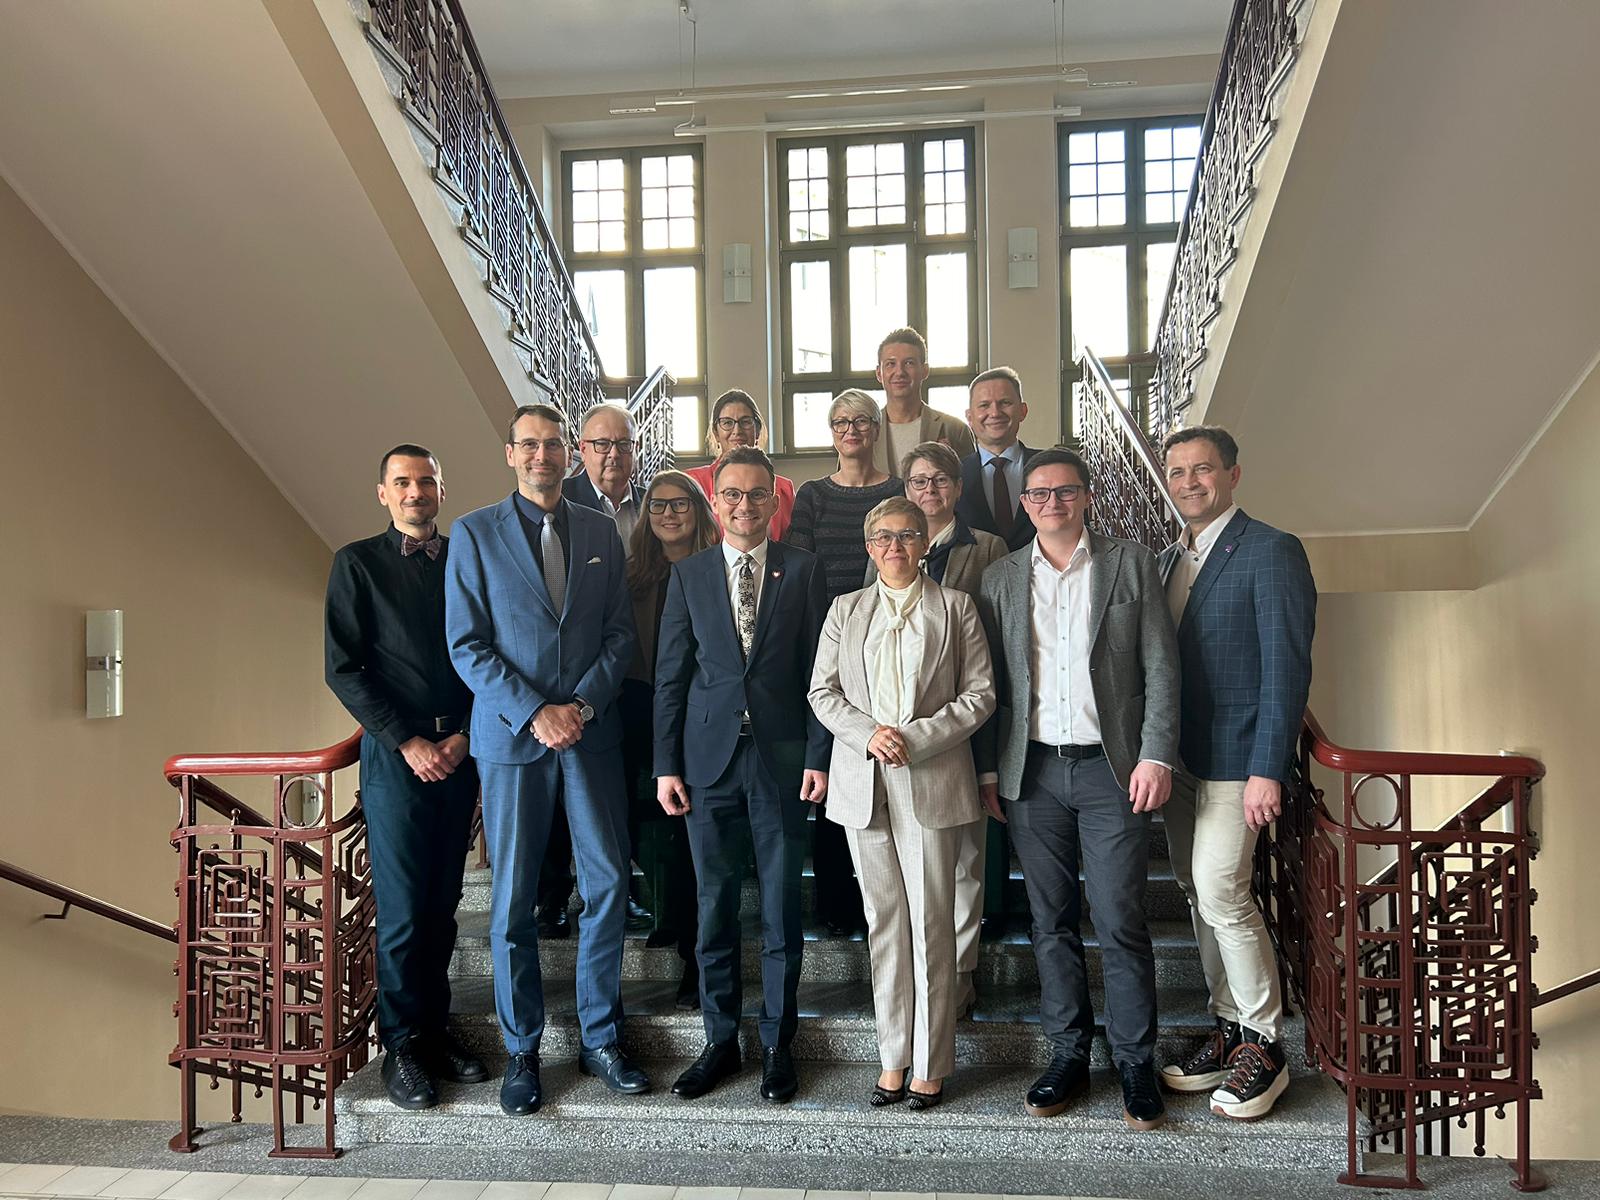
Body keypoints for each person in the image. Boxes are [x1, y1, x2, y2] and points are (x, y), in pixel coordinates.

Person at [445, 403, 647, 1116]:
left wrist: (579, 708)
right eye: (528, 445)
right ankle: (522, 1050)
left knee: (607, 885)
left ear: (570, 454)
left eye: (553, 444)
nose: (542, 456)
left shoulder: (598, 531)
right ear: (510, 454)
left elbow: (620, 636)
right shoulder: (473, 533)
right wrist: (536, 711)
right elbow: (467, 644)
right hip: (512, 740)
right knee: (512, 901)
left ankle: (600, 1037)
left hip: (590, 737)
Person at [975, 448, 1180, 1132]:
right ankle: (1068, 1052)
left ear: (1087, 496)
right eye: (1038, 493)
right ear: (1025, 503)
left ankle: (1133, 1062)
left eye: (1064, 491)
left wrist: (1155, 754)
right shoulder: (1002, 577)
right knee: (1049, 920)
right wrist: (986, 770)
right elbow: (990, 687)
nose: (1051, 502)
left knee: (1120, 918)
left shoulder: (1128, 562)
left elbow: (1160, 665)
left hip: (1111, 770)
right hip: (1032, 772)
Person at [654, 447, 831, 1104]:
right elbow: (671, 679)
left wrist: (819, 756)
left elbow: (821, 676)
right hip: (707, 766)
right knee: (714, 906)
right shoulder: (690, 575)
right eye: (733, 494)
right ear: (716, 502)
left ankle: (778, 1045)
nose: (745, 506)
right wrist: (665, 766)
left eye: (758, 494)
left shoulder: (805, 572)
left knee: (783, 909)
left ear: (773, 502)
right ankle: (719, 1039)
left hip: (782, 764)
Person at [809, 497, 995, 1111]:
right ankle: (893, 1056)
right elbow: (823, 691)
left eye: (907, 535)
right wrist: (870, 734)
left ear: (924, 543)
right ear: (869, 546)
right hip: (864, 783)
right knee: (885, 923)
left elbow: (979, 697)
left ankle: (931, 1064)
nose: (895, 546)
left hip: (932, 777)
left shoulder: (956, 607)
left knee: (933, 923)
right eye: (883, 536)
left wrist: (911, 739)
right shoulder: (845, 610)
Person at [1156, 425, 1316, 1121]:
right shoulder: (1167, 558)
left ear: (1232, 475)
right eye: (1178, 471)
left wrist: (1268, 770)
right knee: (1196, 891)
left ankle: (1264, 1041)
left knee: (1224, 890)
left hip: (1238, 760)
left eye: (1203, 469)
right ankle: (1227, 1026)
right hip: (1181, 759)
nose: (1190, 482)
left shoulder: (1272, 551)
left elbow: (1287, 668)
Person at [324, 444, 487, 1111]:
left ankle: (436, 1027)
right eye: (403, 482)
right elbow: (345, 668)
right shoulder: (355, 564)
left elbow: (490, 649)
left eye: (426, 481)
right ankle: (401, 1046)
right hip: (397, 758)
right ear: (383, 494)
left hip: (464, 749)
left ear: (441, 491)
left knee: (444, 903)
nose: (415, 491)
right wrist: (408, 740)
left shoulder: (469, 560)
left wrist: (467, 735)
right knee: (399, 911)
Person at [866, 440, 1008, 1019]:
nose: (930, 490)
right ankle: (915, 985)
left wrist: (991, 760)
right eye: (918, 481)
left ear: (958, 486)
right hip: (895, 743)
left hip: (966, 733)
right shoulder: (887, 549)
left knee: (965, 866)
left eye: (940, 480)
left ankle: (958, 977)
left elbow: (996, 656)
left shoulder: (991, 549)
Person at [787, 388, 906, 936]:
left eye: (860, 420)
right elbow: (803, 568)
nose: (851, 429)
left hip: (891, 636)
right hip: (828, 634)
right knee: (834, 762)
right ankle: (836, 902)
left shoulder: (900, 488)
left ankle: (889, 895)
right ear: (831, 431)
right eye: (840, 421)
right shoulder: (813, 494)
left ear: (876, 427)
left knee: (886, 758)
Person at [553, 402, 653, 937]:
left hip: (633, 669)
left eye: (622, 444)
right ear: (581, 451)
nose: (613, 454)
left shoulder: (651, 504)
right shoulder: (560, 503)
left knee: (623, 790)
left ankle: (623, 884)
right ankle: (552, 895)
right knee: (554, 804)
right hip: (567, 682)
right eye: (601, 444)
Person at [623, 470, 721, 1010]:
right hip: (640, 709)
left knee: (693, 843)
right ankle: (667, 916)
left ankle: (694, 955)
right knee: (644, 828)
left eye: (680, 503)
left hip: (701, 714)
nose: (668, 513)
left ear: (699, 509)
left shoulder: (716, 567)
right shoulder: (632, 574)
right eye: (657, 505)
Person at [686, 388, 796, 542]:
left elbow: (792, 545)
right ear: (716, 433)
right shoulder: (693, 482)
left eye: (745, 422)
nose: (737, 430)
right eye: (727, 423)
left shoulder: (784, 488)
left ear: (757, 431)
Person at [871, 326, 975, 478]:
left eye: (909, 363)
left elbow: (969, 489)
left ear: (925, 370)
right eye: (890, 364)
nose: (899, 372)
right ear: (879, 373)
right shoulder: (865, 431)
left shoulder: (955, 430)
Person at [955, 366, 1039, 552]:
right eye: (984, 405)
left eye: (1005, 402)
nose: (995, 413)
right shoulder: (953, 476)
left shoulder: (1051, 468)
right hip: (976, 579)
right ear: (969, 417)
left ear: (1023, 410)